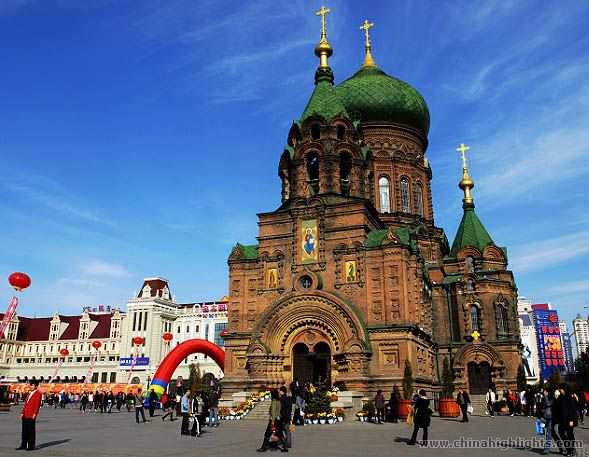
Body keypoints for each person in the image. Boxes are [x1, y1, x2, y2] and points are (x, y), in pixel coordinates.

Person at [257, 388, 288, 452]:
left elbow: (273, 412)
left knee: (267, 434)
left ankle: (263, 447)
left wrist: (272, 421)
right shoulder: (279, 400)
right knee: (280, 433)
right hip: (278, 419)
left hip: (274, 419)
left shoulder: (274, 401)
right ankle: (284, 447)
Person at [16, 381, 42, 451]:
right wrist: (22, 412)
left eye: (32, 385)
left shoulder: (38, 393)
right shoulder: (29, 393)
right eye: (31, 385)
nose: (31, 386)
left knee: (31, 431)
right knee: (24, 431)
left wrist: (35, 414)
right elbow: (26, 404)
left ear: (36, 386)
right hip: (25, 414)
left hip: (31, 415)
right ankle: (23, 445)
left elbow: (37, 405)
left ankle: (31, 446)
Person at [558, 385, 578, 457]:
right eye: (560, 389)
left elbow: (573, 409)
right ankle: (569, 449)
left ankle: (571, 450)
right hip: (562, 420)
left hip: (569, 420)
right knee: (561, 433)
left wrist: (572, 420)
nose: (560, 390)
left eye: (561, 389)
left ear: (564, 389)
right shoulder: (560, 397)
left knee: (570, 435)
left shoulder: (570, 397)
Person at [536, 388, 554, 455]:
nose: (544, 392)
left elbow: (548, 404)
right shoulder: (541, 397)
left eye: (545, 391)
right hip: (543, 417)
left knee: (548, 433)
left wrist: (546, 396)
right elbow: (539, 406)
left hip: (550, 417)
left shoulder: (552, 398)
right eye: (544, 391)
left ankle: (546, 449)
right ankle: (547, 447)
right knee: (541, 431)